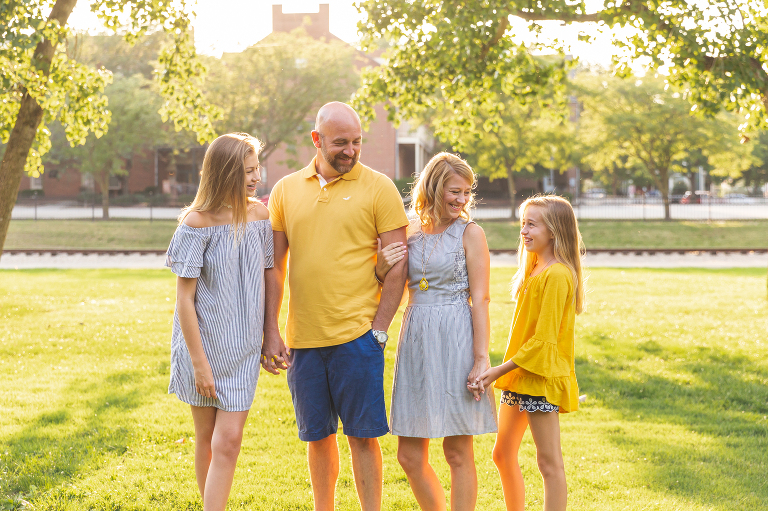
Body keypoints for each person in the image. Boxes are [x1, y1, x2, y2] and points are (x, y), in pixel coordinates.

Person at [262, 102, 409, 511]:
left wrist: (379, 328)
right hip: (303, 340)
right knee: (317, 438)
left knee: (363, 437)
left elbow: (398, 263)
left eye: (357, 142)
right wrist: (271, 330)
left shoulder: (379, 187)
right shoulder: (286, 190)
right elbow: (273, 267)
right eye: (340, 143)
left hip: (358, 337)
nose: (350, 151)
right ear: (317, 140)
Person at [376, 152, 497, 511]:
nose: (462, 200)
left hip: (457, 336)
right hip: (416, 336)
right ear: (434, 186)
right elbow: (389, 282)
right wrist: (381, 268)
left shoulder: (470, 232)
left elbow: (482, 299)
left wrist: (480, 359)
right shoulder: (408, 229)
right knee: (409, 456)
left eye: (467, 192)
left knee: (457, 452)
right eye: (455, 191)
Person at [164, 132, 273, 511]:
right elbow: (184, 300)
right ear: (225, 172)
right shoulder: (197, 223)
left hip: (242, 350)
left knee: (229, 440)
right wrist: (199, 364)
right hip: (203, 348)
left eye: (257, 168)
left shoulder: (261, 216)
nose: (256, 177)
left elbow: (271, 274)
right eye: (247, 171)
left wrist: (270, 335)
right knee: (207, 437)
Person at [470, 195, 586, 511]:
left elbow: (543, 342)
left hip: (541, 378)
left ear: (554, 230)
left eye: (531, 224)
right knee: (502, 454)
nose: (524, 230)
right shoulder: (535, 267)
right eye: (523, 223)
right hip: (522, 376)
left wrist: (496, 371)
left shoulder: (558, 274)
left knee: (549, 463)